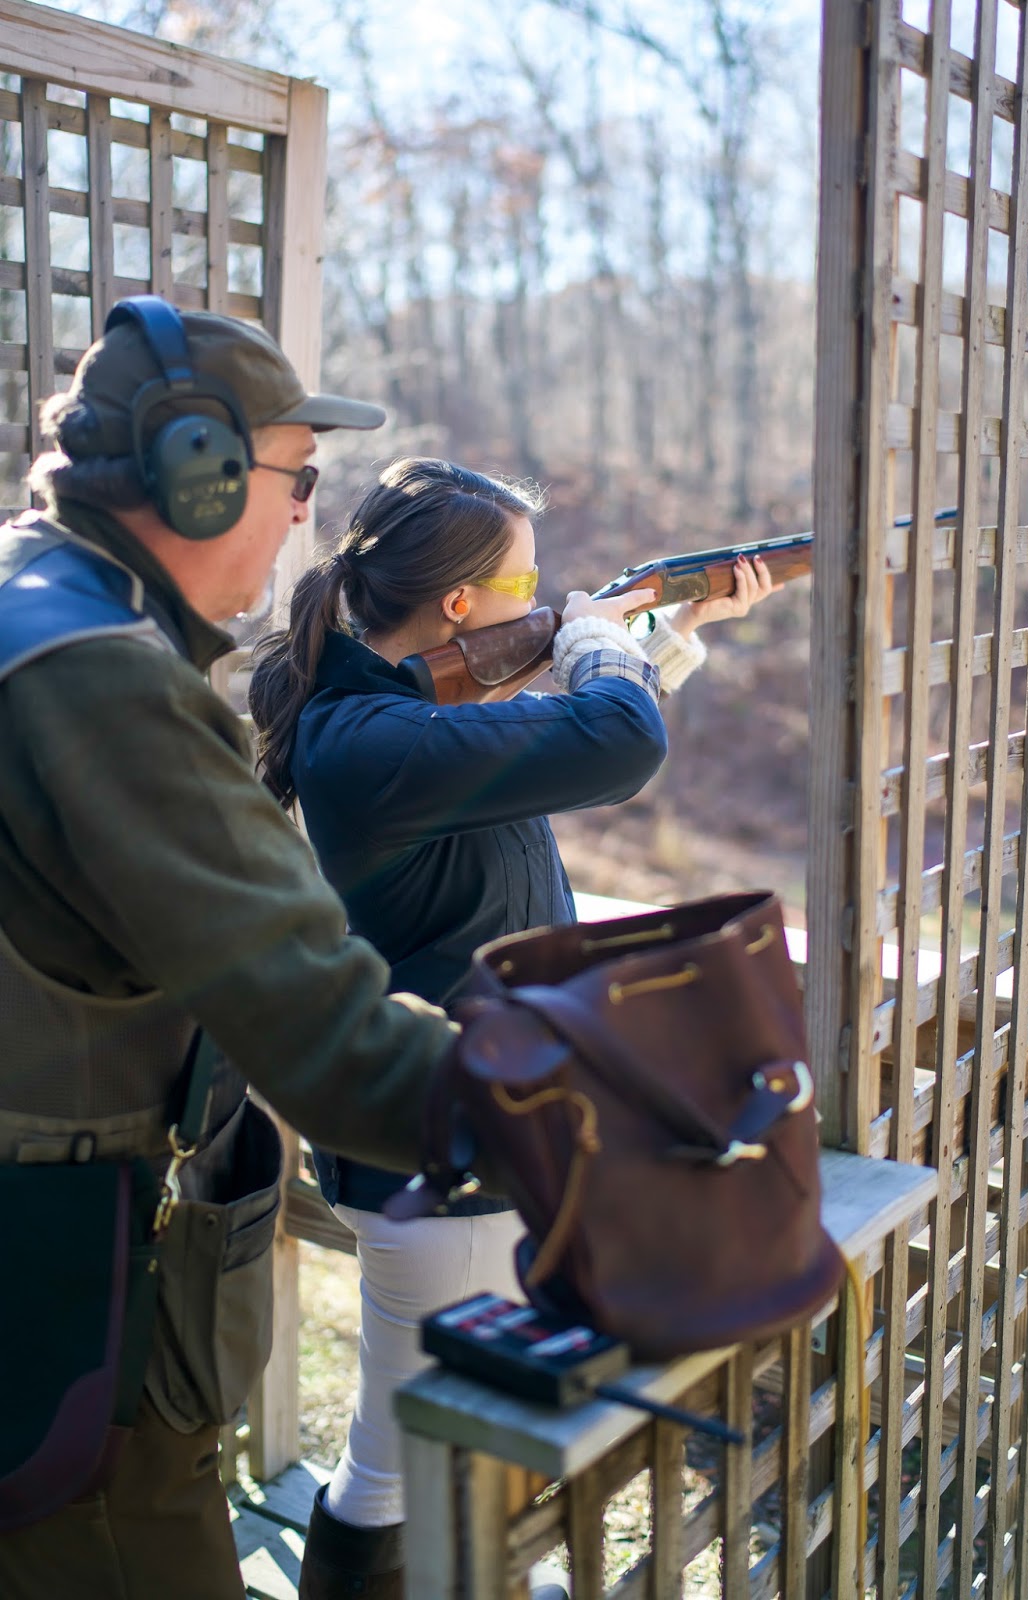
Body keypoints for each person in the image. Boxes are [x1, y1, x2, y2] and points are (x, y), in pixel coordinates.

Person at [0, 301, 494, 1600]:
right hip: (62, 1291)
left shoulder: (31, 602)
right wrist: (575, 1113)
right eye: (292, 477)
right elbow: (326, 1032)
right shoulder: (100, 675)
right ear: (194, 472)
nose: (298, 518)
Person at [248, 456, 778, 1600]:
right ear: (456, 607)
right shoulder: (366, 740)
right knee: (397, 1462)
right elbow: (611, 744)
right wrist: (595, 644)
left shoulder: (383, 718)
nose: (544, 591)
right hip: (435, 1156)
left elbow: (555, 744)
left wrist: (665, 628)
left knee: (418, 1450)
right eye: (526, 574)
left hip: (453, 1139)